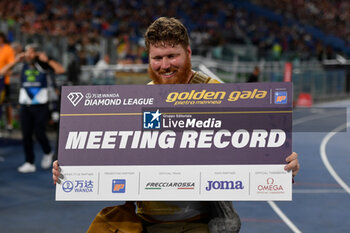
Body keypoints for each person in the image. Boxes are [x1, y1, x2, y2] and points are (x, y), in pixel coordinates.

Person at [53, 17, 300, 233]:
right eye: (157, 58)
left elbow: (252, 145)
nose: (165, 65)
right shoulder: (138, 101)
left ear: (188, 54)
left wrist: (280, 167)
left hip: (199, 222)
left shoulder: (216, 94)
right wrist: (72, 168)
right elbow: (113, 154)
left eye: (172, 55)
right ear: (148, 59)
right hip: (145, 222)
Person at [1, 44, 65, 173]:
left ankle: (48, 152)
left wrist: (47, 60)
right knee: (26, 135)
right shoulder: (21, 66)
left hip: (41, 104)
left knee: (39, 132)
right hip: (25, 105)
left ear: (36, 54)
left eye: (31, 52)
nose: (29, 55)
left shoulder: (43, 65)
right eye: (27, 52)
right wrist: (15, 61)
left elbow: (60, 70)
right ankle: (29, 162)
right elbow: (2, 72)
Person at [0, 32, 15, 132]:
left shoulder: (8, 49)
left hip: (4, 81)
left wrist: (6, 72)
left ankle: (9, 125)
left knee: (7, 103)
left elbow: (11, 64)